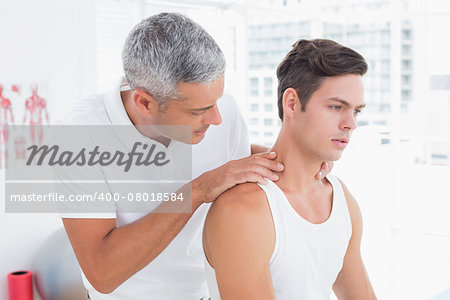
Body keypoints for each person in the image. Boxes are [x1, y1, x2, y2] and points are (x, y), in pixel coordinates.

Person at [58, 13, 331, 300]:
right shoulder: (77, 138)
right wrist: (198, 190)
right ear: (145, 103)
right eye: (198, 111)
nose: (216, 119)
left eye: (216, 101)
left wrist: (304, 158)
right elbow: (102, 273)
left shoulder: (224, 113)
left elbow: (238, 165)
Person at [203, 39, 377, 299]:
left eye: (356, 111)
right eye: (336, 107)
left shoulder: (341, 199)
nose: (350, 123)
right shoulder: (242, 210)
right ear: (292, 103)